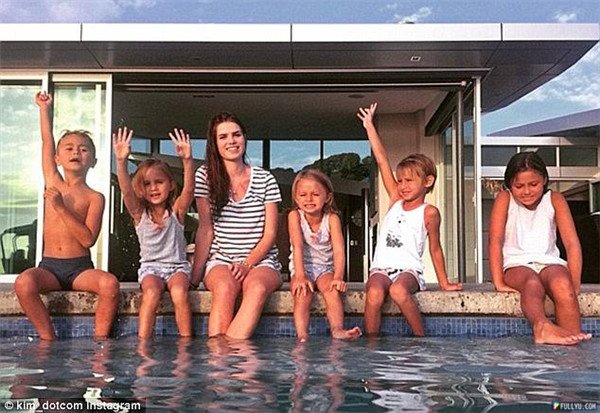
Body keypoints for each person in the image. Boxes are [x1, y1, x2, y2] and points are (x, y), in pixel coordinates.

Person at [14, 91, 120, 340]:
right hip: (49, 266)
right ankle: (47, 339)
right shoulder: (53, 181)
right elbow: (46, 141)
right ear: (58, 158)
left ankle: (100, 342)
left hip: (79, 268)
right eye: (69, 148)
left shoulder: (95, 197)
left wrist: (61, 207)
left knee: (110, 284)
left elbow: (88, 239)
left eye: (84, 149)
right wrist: (44, 109)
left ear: (93, 161)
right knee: (23, 283)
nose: (76, 152)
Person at [357, 102, 462, 337]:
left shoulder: (429, 212)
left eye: (409, 181)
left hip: (409, 270)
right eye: (400, 180)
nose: (403, 186)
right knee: (374, 293)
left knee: (398, 291)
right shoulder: (395, 200)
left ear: (428, 181)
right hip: (381, 268)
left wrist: (444, 282)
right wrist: (369, 126)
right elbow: (382, 160)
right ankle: (370, 343)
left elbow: (435, 249)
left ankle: (419, 337)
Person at [191, 112, 282, 339]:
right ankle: (223, 356)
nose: (231, 141)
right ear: (214, 143)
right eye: (223, 137)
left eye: (236, 134)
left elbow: (270, 233)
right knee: (225, 288)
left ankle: (223, 353)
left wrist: (247, 264)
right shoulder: (204, 177)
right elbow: (205, 229)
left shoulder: (265, 179)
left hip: (261, 261)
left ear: (244, 138)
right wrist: (195, 277)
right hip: (221, 259)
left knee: (256, 288)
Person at [488, 151, 592, 345]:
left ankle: (571, 338)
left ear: (544, 179)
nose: (527, 191)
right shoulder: (504, 198)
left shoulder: (555, 199)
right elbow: (495, 241)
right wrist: (498, 281)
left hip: (549, 261)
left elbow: (571, 243)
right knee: (532, 283)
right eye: (519, 186)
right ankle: (542, 327)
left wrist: (575, 281)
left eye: (533, 184)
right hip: (516, 264)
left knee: (563, 284)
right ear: (509, 184)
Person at [113, 126, 194, 338]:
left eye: (159, 182)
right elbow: (126, 191)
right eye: (147, 184)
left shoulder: (176, 211)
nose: (153, 188)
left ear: (171, 185)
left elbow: (189, 190)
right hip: (151, 268)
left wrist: (187, 160)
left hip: (177, 267)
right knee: (151, 292)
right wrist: (121, 162)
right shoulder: (140, 214)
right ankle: (143, 343)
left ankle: (186, 343)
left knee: (179, 292)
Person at [288, 169, 362, 342]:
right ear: (296, 198)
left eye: (315, 194)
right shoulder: (294, 216)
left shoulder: (332, 218)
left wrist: (338, 277)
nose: (309, 199)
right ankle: (302, 335)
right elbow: (297, 246)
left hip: (325, 268)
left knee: (332, 292)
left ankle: (337, 329)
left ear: (327, 197)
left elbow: (339, 250)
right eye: (303, 195)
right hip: (302, 266)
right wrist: (300, 276)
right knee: (302, 293)